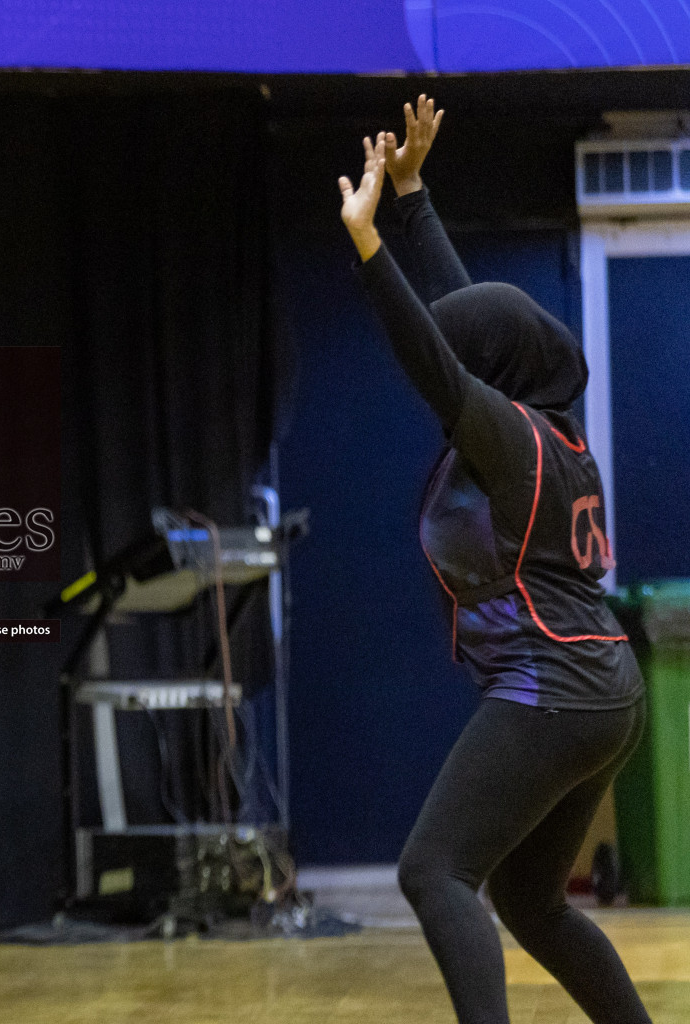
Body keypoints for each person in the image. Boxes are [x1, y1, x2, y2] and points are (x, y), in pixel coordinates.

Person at [337, 97, 651, 1024]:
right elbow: (472, 322)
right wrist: (414, 195)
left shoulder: (509, 439)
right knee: (529, 900)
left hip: (554, 687)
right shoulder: (551, 429)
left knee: (434, 871)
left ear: (493, 369)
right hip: (606, 688)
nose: (457, 357)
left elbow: (432, 350)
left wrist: (369, 245)